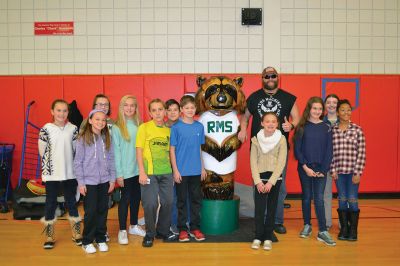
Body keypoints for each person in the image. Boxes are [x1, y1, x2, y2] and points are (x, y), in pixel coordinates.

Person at [238, 66, 300, 239]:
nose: (270, 78)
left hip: (279, 150)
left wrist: (292, 125)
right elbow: (245, 118)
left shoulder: (288, 97)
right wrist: (243, 130)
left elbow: (298, 116)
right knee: (258, 186)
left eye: (273, 75)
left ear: (277, 77)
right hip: (258, 150)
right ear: (262, 78)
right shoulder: (254, 97)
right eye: (267, 76)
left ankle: (276, 222)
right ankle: (260, 222)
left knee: (279, 188)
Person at [38, 99, 81, 249]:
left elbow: (77, 151)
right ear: (52, 111)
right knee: (50, 203)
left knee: (72, 202)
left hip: (70, 173)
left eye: (64, 111)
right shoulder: (46, 129)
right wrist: (50, 168)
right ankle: (49, 235)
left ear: (68, 112)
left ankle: (76, 232)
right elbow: (42, 152)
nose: (61, 114)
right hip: (52, 175)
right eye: (58, 110)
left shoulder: (73, 129)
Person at [294, 97, 335, 246]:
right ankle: (307, 225)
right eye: (314, 108)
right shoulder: (302, 127)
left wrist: (323, 170)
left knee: (319, 198)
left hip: (320, 169)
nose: (317, 111)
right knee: (306, 197)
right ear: (309, 109)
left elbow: (329, 150)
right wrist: (305, 167)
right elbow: (298, 150)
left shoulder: (327, 127)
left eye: (319, 109)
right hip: (305, 168)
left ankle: (323, 231)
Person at [136, 99, 177, 248]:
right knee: (150, 204)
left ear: (165, 112)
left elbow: (171, 152)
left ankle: (163, 231)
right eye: (154, 110)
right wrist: (141, 171)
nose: (158, 113)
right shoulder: (144, 128)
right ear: (150, 113)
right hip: (149, 174)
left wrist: (173, 172)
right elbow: (139, 150)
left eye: (160, 109)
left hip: (166, 173)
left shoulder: (169, 130)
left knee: (168, 202)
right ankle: (149, 234)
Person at [74, 109, 116, 254]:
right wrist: (81, 182)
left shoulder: (106, 138)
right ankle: (87, 241)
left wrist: (112, 179)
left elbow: (111, 159)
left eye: (103, 120)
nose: (101, 122)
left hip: (104, 181)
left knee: (102, 211)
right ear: (90, 120)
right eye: (97, 119)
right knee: (90, 212)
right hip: (89, 182)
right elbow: (78, 162)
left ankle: (101, 238)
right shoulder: (82, 139)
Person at [170, 95, 207, 242]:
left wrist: (203, 168)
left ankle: (195, 228)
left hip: (196, 171)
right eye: (187, 108)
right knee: (182, 201)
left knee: (196, 200)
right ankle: (182, 229)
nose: (190, 110)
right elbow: (172, 150)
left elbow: (199, 148)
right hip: (181, 172)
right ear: (181, 110)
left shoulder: (199, 126)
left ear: (195, 109)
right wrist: (176, 171)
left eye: (192, 107)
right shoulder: (176, 127)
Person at [250, 112, 287, 251]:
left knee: (271, 209)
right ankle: (258, 236)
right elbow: (253, 161)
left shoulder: (282, 139)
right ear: (262, 123)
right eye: (267, 121)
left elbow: (281, 162)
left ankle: (267, 237)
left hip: (274, 180)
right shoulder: (255, 140)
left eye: (273, 121)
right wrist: (258, 181)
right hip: (260, 179)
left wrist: (271, 182)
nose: (270, 124)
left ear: (277, 124)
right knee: (259, 210)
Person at [112, 95, 146, 245]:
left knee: (135, 199)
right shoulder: (117, 127)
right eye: (126, 105)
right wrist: (119, 173)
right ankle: (122, 230)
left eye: (132, 105)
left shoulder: (141, 125)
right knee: (124, 201)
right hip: (125, 171)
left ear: (136, 108)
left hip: (138, 170)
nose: (129, 108)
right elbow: (116, 152)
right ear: (121, 107)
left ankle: (133, 225)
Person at [331, 99, 366, 242]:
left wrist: (358, 172)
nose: (346, 112)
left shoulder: (357, 129)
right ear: (338, 112)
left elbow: (362, 152)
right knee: (341, 199)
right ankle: (344, 229)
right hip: (339, 172)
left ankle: (353, 230)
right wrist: (332, 169)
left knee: (352, 200)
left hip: (352, 172)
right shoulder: (333, 130)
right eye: (343, 110)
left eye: (348, 110)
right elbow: (330, 152)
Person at [323, 94, 340, 230]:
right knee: (326, 194)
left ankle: (343, 223)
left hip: (342, 164)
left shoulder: (344, 121)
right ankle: (327, 223)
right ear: (325, 105)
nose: (331, 105)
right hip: (326, 164)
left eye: (334, 102)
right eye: (329, 102)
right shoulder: (320, 122)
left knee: (343, 195)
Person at [165, 98, 181, 235]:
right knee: (172, 198)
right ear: (165, 112)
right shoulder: (163, 127)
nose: (172, 112)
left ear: (180, 111)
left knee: (184, 197)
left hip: (185, 167)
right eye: (169, 110)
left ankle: (185, 222)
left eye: (175, 109)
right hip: (167, 169)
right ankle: (172, 223)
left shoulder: (185, 125)